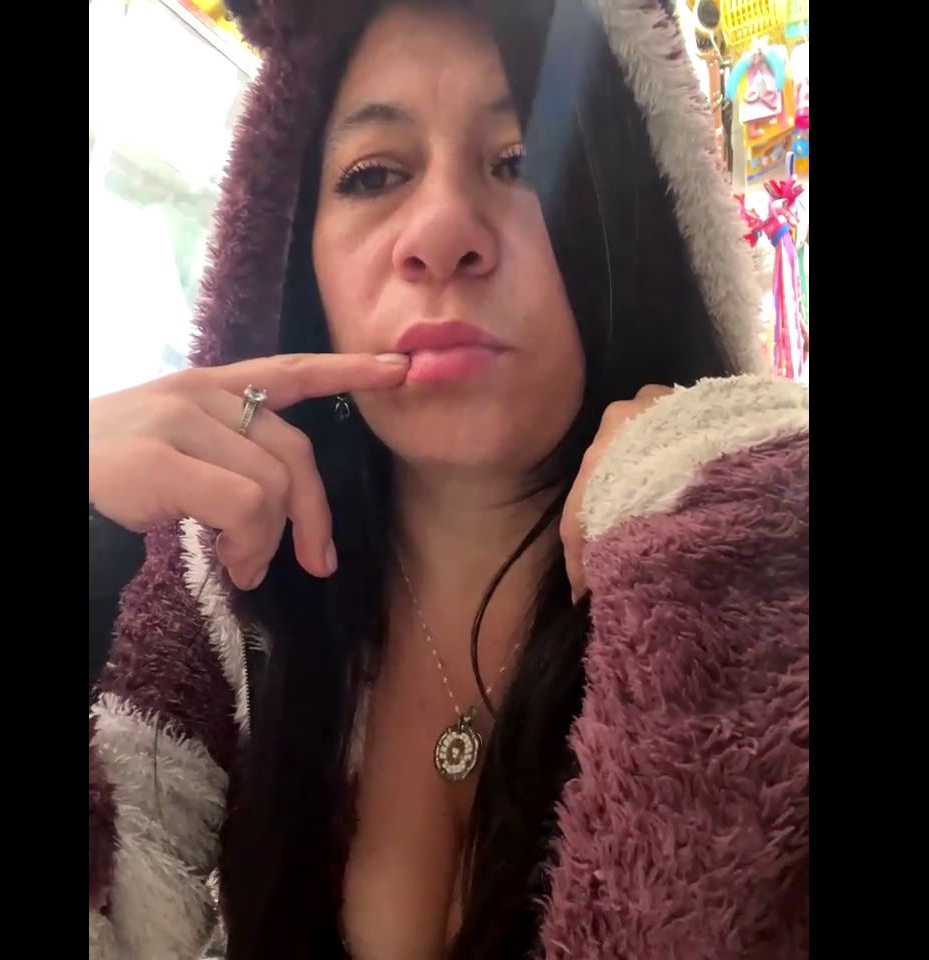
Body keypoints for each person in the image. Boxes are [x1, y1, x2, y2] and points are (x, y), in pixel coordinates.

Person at [88, 1, 809, 958]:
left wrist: (726, 554)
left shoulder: (759, 567)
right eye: (374, 175)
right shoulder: (223, 609)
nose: (438, 232)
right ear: (298, 262)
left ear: (628, 219)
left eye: (519, 161)